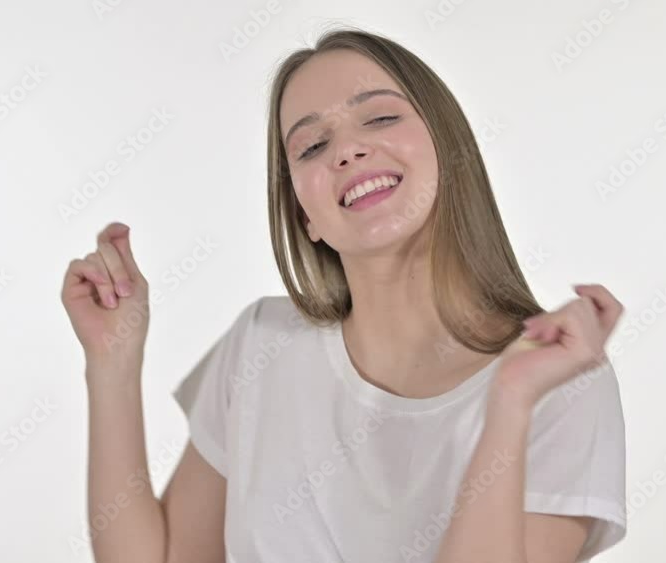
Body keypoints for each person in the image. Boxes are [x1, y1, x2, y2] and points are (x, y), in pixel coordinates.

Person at [61, 27, 627, 563]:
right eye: (312, 146)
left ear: (448, 147)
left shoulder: (559, 380)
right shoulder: (260, 345)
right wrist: (112, 364)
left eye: (380, 117)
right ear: (304, 215)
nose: (348, 151)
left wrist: (510, 402)